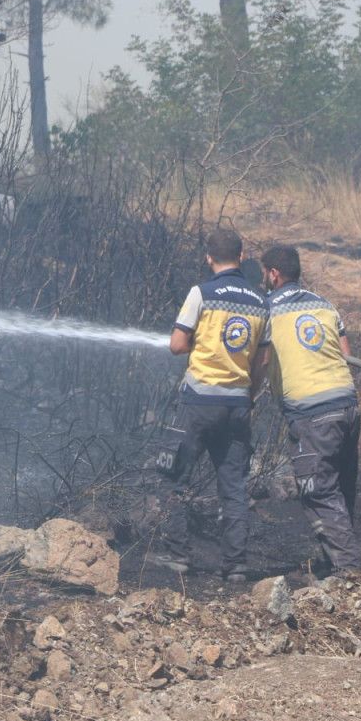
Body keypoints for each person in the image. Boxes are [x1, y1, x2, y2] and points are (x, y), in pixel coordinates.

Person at [152, 228, 271, 582]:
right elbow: (262, 361)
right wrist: (249, 395)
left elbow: (176, 344)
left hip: (199, 403)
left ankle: (177, 557)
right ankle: (235, 565)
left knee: (175, 477)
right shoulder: (259, 300)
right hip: (237, 404)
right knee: (233, 486)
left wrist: (201, 344)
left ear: (208, 257)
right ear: (242, 254)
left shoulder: (201, 293)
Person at [260, 244, 361, 575]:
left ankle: (349, 576)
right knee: (340, 490)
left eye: (265, 273)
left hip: (313, 414)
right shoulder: (325, 304)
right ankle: (335, 563)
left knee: (317, 490)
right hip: (347, 406)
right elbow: (345, 354)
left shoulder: (266, 309)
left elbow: (259, 361)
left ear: (273, 274)